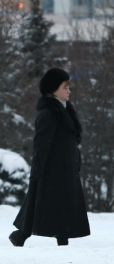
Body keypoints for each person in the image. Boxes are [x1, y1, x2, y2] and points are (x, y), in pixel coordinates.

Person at [9, 68, 90, 247]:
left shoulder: (66, 110)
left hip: (67, 168)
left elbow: (71, 140)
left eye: (69, 87)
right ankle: (23, 234)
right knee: (40, 201)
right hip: (52, 170)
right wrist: (38, 170)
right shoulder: (48, 114)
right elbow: (41, 145)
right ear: (53, 89)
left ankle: (54, 237)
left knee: (62, 204)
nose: (69, 91)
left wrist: (76, 160)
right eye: (65, 87)